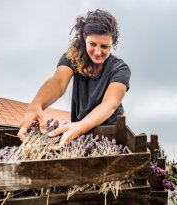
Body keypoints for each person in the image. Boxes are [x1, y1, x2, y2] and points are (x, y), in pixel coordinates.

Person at [17, 9, 131, 149]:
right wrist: (36, 105)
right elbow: (58, 82)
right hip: (78, 132)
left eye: (104, 46)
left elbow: (110, 103)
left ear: (112, 43)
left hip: (110, 135)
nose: (97, 52)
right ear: (84, 38)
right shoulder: (72, 58)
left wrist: (80, 126)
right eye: (93, 44)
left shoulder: (120, 68)